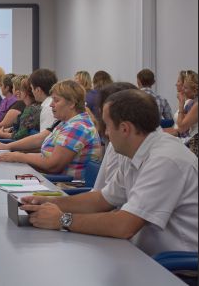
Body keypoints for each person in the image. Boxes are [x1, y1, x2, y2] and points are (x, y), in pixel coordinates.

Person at [20, 90, 198, 257]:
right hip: (143, 256)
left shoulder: (165, 160)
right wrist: (49, 202)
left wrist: (62, 219)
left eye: (107, 126)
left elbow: (124, 226)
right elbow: (102, 199)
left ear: (125, 129)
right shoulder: (136, 151)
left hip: (175, 268)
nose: (105, 133)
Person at [0, 80, 102, 179]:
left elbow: (53, 165)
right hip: (53, 180)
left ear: (72, 103)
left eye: (56, 100)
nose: (51, 104)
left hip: (63, 186)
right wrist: (16, 154)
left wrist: (19, 157)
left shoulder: (77, 127)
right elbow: (45, 154)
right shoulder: (66, 123)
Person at [91, 82, 138, 191]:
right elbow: (106, 194)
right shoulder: (120, 146)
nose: (106, 132)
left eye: (107, 124)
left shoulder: (160, 160)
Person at [170, 71, 198, 144]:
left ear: (194, 90)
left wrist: (181, 104)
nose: (183, 90)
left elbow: (182, 127)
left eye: (185, 88)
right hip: (190, 139)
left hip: (194, 142)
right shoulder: (192, 102)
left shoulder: (196, 104)